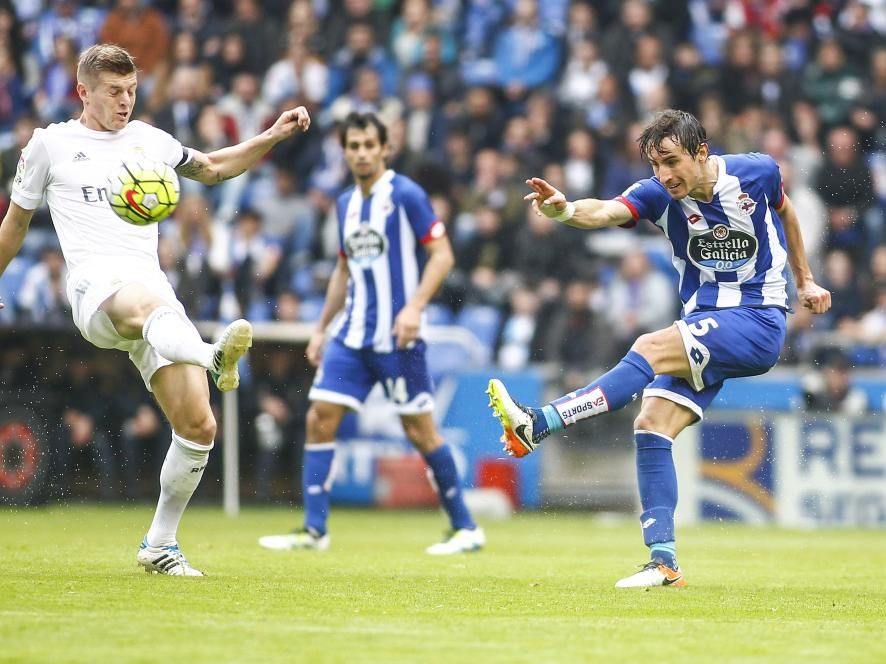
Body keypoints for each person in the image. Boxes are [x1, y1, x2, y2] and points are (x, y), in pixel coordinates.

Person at [0, 44, 311, 576]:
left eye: (132, 90)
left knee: (199, 424)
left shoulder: (148, 140)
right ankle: (213, 355)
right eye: (114, 92)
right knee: (148, 307)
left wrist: (272, 135)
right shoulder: (50, 145)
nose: (126, 101)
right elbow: (16, 223)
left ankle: (160, 544)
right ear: (84, 91)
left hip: (153, 296)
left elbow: (212, 168)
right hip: (96, 291)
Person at [487, 109, 831, 588]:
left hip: (757, 319)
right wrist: (563, 210)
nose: (663, 175)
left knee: (650, 344)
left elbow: (786, 210)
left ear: (701, 152)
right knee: (651, 425)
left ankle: (540, 422)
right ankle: (664, 561)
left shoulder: (756, 172)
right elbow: (605, 210)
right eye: (655, 165)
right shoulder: (657, 196)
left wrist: (806, 280)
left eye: (671, 161)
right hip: (705, 323)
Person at [259, 112, 484, 555]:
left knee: (420, 432)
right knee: (319, 418)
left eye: (368, 145)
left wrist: (415, 308)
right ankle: (314, 530)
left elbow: (442, 255)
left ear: (385, 149)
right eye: (353, 146)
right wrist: (321, 328)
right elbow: (344, 270)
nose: (361, 153)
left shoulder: (406, 195)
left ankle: (465, 528)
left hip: (397, 340)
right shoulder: (345, 204)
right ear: (344, 152)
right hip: (352, 337)